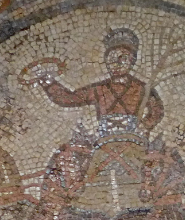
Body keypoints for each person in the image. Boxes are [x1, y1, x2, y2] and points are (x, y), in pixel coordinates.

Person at [36, 27, 164, 137]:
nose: (116, 64)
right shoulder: (99, 89)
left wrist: (144, 125)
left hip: (134, 141)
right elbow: (68, 98)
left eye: (123, 58)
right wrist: (47, 81)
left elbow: (157, 111)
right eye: (111, 58)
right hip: (104, 142)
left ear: (132, 60)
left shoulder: (143, 89)